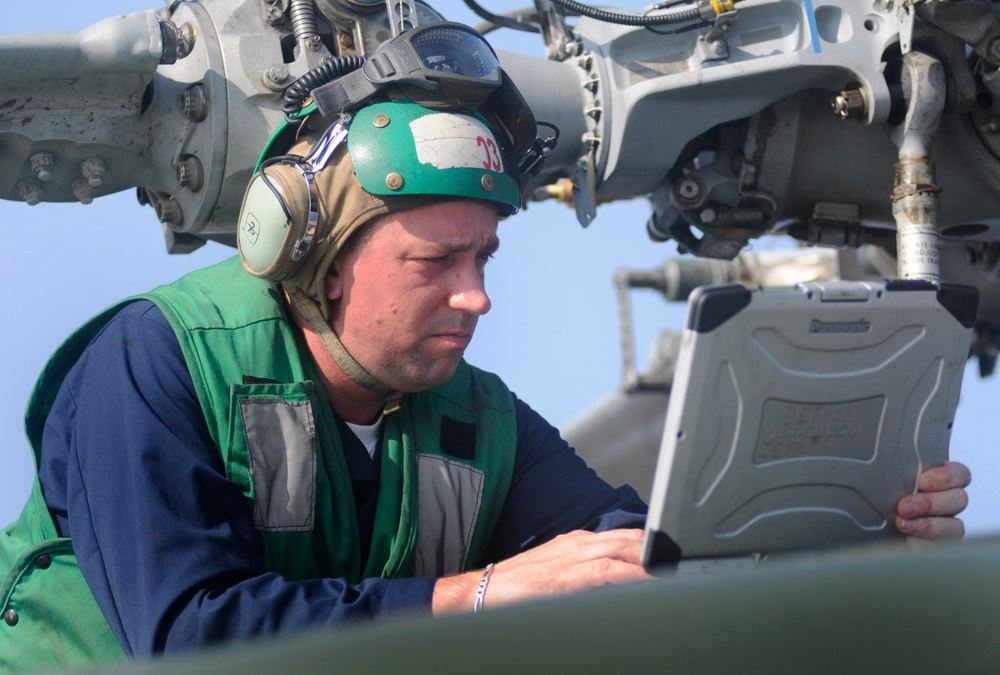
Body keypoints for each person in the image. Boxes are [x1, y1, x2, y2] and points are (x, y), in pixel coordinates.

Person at [0, 53, 971, 671]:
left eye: (483, 257)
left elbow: (641, 557)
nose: (475, 297)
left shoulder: (473, 418)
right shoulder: (156, 362)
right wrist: (476, 595)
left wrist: (855, 532)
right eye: (433, 262)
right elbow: (187, 639)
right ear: (316, 258)